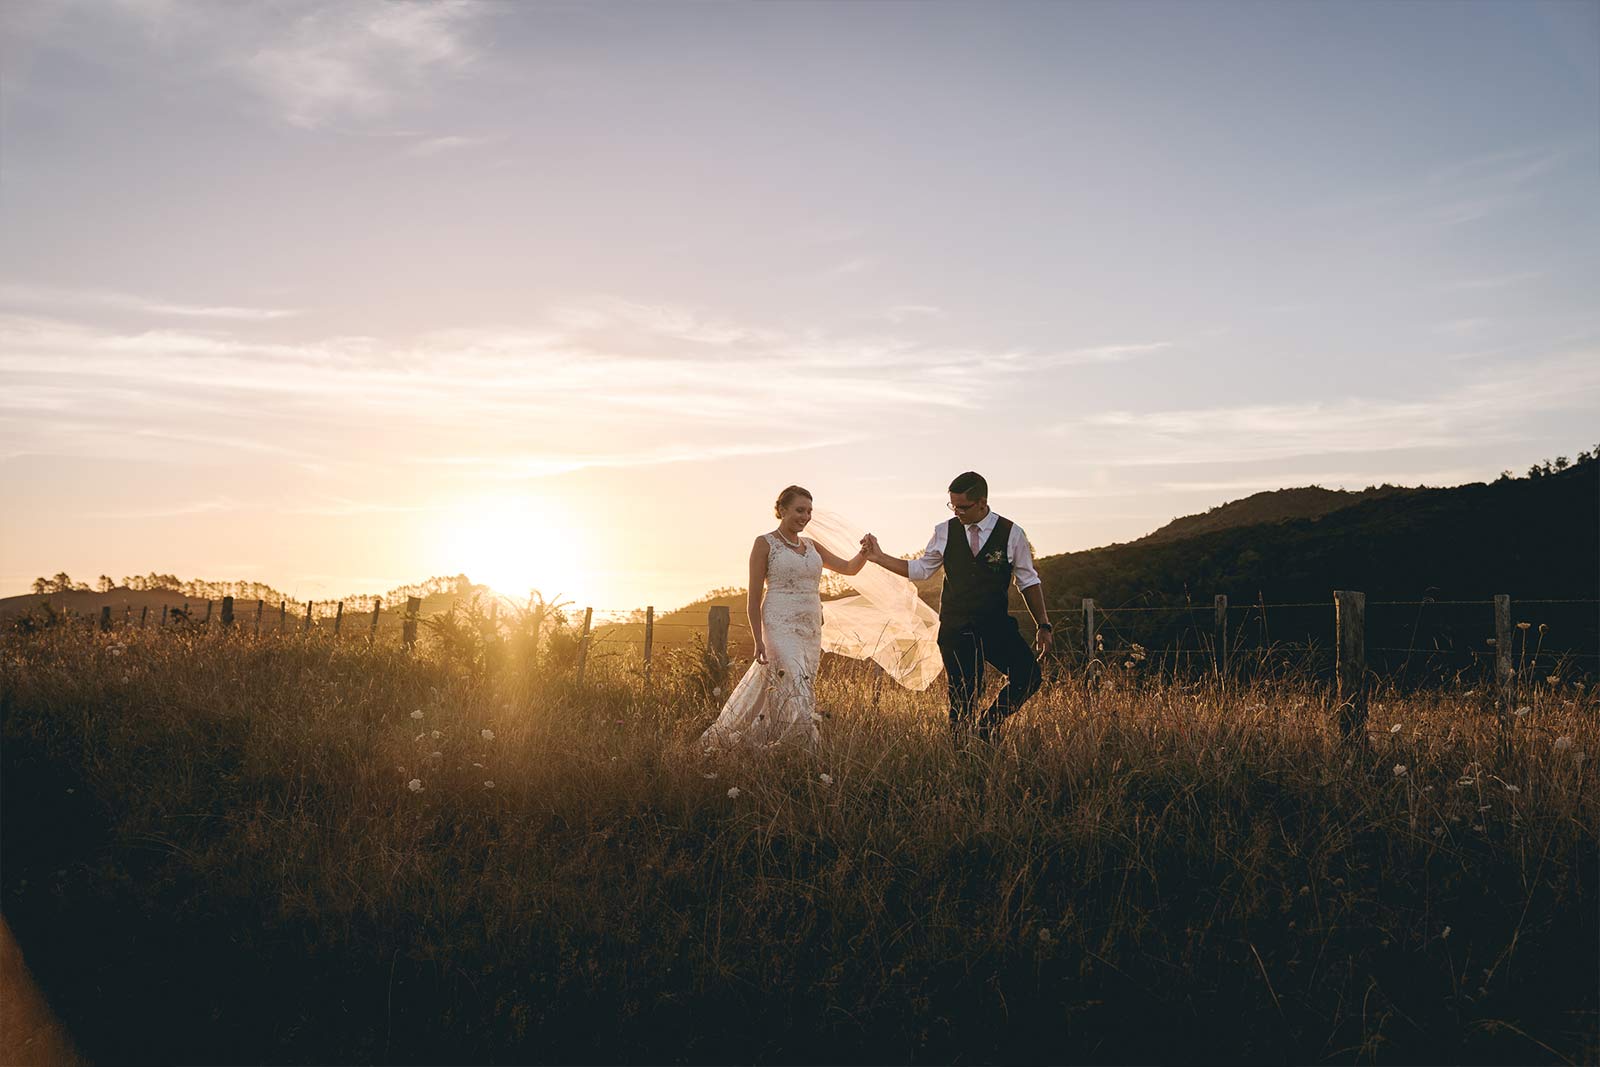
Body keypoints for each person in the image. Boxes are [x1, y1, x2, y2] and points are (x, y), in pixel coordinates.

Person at [862, 471, 1051, 741]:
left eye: (963, 507)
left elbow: (1028, 581)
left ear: (982, 503)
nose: (957, 512)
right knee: (963, 697)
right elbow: (921, 569)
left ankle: (988, 726)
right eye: (953, 505)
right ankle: (962, 754)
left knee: (1029, 676)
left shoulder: (1012, 533)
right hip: (956, 627)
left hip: (995, 625)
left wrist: (1043, 624)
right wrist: (880, 558)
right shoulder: (944, 531)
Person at [699, 486, 869, 750]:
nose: (805, 517)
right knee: (792, 677)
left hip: (810, 627)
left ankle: (775, 741)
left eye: (809, 511)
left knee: (801, 683)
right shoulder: (764, 543)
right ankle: (797, 744)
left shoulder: (812, 546)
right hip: (779, 624)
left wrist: (866, 552)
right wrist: (759, 640)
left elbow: (848, 568)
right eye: (800, 510)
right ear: (782, 509)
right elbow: (753, 599)